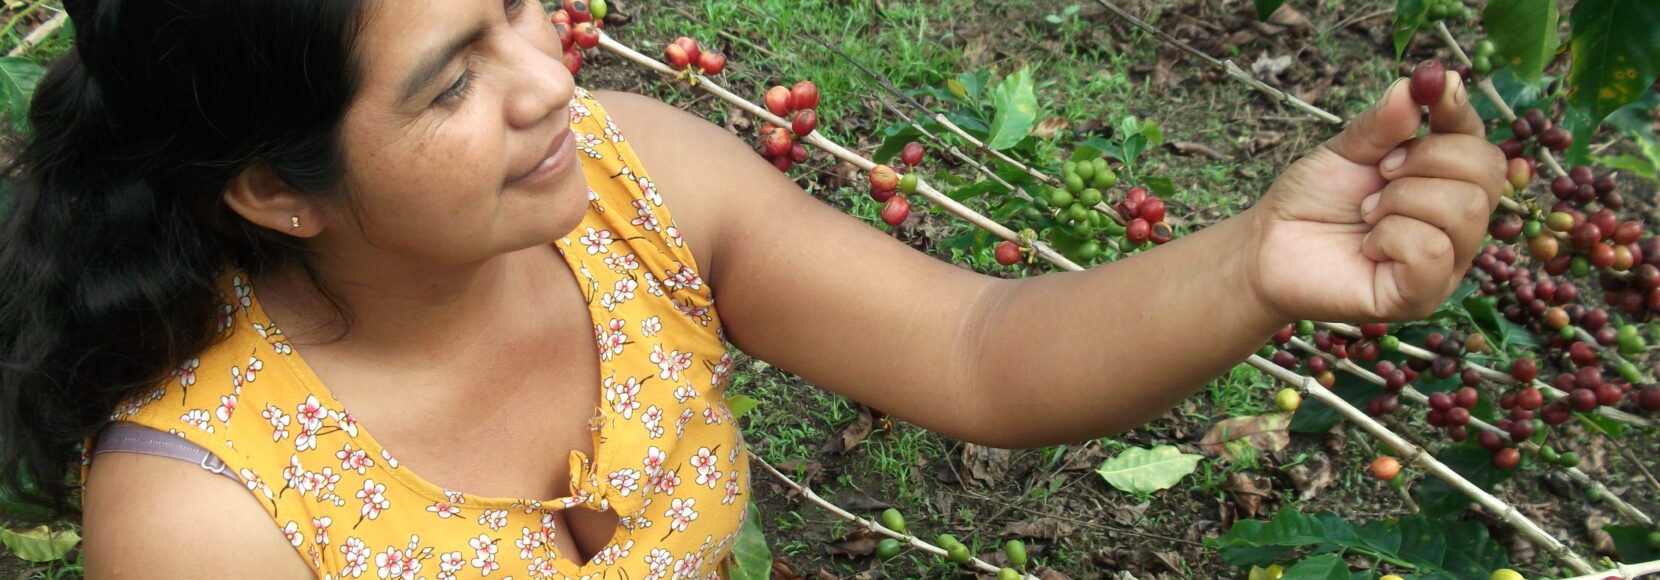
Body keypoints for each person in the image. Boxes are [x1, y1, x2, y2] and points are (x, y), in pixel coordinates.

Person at [0, 0, 1504, 577]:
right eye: (457, 78)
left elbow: (982, 354)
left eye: (521, 6)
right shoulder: (206, 516)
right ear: (276, 189)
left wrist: (1257, 262)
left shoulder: (637, 188)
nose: (550, 79)